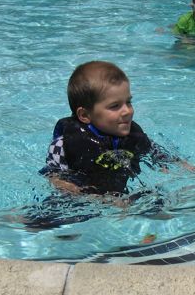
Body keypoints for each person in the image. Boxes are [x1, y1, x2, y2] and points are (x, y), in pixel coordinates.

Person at [40, 61, 179, 196]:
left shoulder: (133, 135)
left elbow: (155, 152)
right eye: (115, 106)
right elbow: (53, 176)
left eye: (128, 102)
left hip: (120, 196)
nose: (127, 111)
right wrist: (96, 199)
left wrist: (181, 167)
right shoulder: (64, 143)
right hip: (81, 200)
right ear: (84, 115)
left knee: (159, 198)